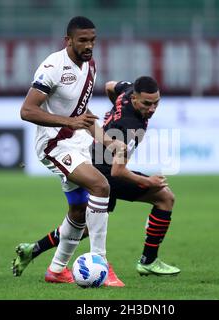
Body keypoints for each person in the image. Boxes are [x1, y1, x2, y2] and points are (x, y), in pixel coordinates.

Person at [12, 76, 180, 280]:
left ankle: (34, 250)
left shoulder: (126, 90)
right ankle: (148, 261)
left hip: (94, 160)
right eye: (147, 104)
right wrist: (148, 182)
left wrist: (113, 114)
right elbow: (118, 172)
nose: (152, 109)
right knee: (165, 197)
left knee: (85, 225)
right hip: (106, 172)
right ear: (134, 99)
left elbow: (110, 86)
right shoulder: (129, 126)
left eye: (156, 103)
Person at [16, 16, 120, 285]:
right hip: (54, 144)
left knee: (78, 211)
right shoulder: (52, 67)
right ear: (68, 40)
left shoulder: (91, 67)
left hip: (76, 141)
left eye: (93, 41)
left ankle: (57, 270)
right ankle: (101, 264)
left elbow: (82, 113)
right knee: (101, 186)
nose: (89, 46)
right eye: (83, 40)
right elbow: (27, 110)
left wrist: (109, 141)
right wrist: (70, 123)